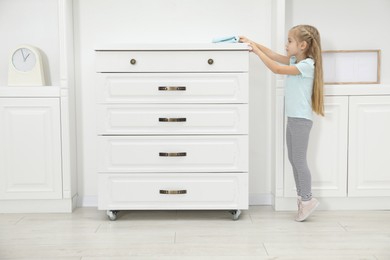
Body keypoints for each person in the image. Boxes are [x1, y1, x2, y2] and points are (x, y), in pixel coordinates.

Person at [240, 24, 324, 222]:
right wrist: (252, 43)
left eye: (289, 41)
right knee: (294, 160)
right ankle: (303, 200)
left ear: (302, 45)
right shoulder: (296, 60)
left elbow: (277, 68)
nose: (286, 45)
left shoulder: (306, 66)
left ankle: (307, 199)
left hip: (301, 120)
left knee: (300, 161)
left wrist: (257, 51)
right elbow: (274, 55)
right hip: (293, 118)